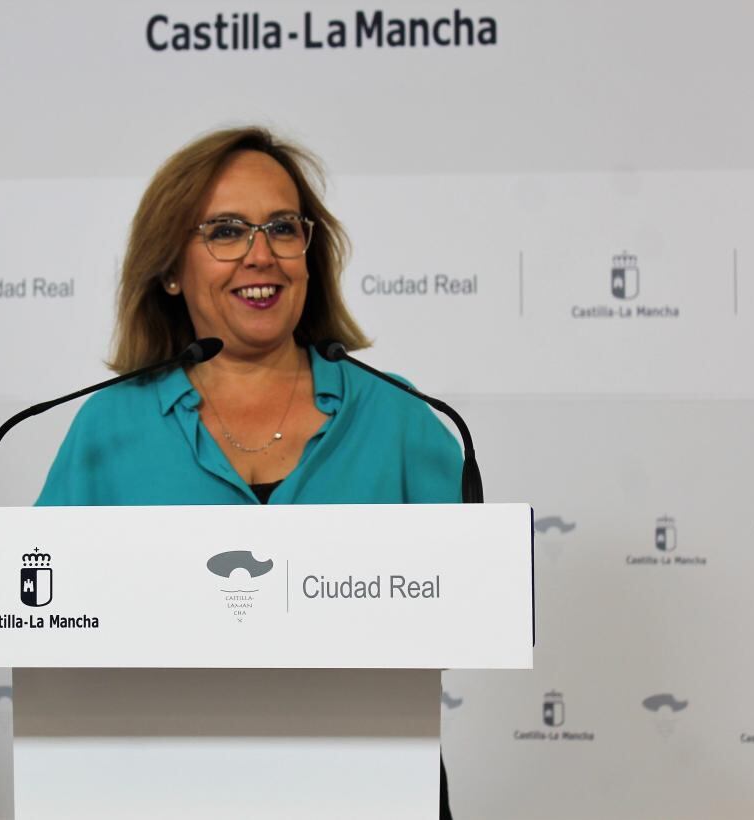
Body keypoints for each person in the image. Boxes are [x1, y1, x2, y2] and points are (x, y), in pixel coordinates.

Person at [35, 126, 461, 817]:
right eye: (227, 232)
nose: (261, 255)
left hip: (367, 786)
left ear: (309, 255)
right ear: (170, 270)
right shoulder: (108, 428)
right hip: (162, 791)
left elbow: (472, 602)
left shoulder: (398, 417)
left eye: (283, 228)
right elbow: (43, 627)